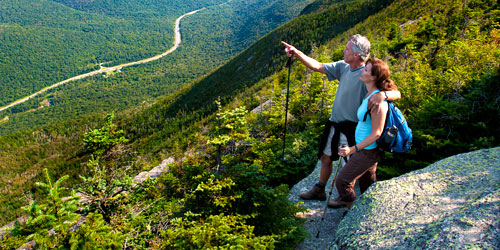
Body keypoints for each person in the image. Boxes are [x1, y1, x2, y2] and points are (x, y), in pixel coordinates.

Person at [281, 34, 400, 203]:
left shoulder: (367, 74)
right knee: (325, 157)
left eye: (347, 49)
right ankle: (320, 189)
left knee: (350, 167)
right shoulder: (343, 67)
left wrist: (384, 95)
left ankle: (350, 200)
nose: (344, 50)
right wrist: (297, 53)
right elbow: (318, 66)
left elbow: (396, 93)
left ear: (356, 55)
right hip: (334, 123)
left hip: (352, 128)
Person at [330, 57, 398, 208]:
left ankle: (352, 213)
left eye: (366, 70)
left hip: (368, 151)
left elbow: (377, 133)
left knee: (343, 181)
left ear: (373, 77)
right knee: (367, 184)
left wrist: (352, 150)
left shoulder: (377, 102)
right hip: (364, 149)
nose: (362, 70)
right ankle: (367, 212)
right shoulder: (371, 94)